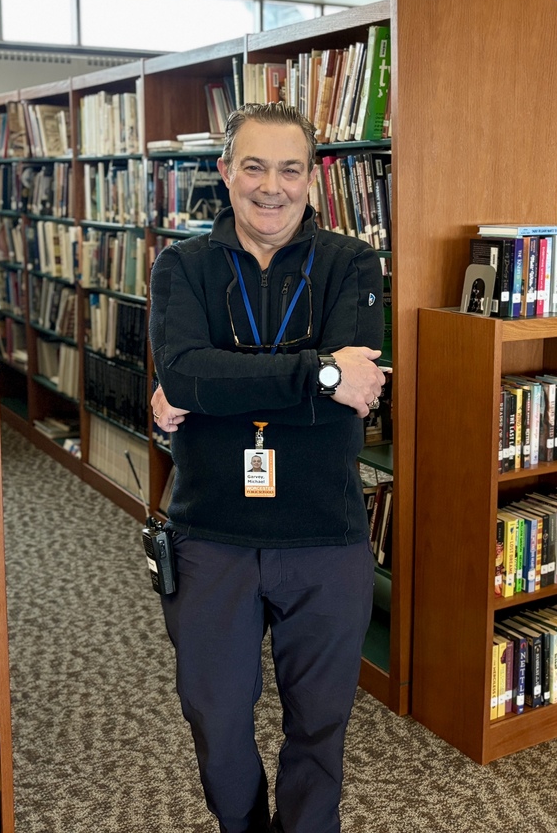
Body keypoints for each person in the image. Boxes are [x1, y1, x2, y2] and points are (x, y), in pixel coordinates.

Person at [149, 101, 386, 833]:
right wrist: (318, 375)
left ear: (311, 181)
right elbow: (186, 376)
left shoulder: (352, 264)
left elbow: (356, 396)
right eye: (253, 166)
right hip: (212, 532)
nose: (271, 186)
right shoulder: (181, 266)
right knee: (215, 719)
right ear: (225, 173)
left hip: (326, 534)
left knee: (321, 723)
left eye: (289, 168)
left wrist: (221, 384)